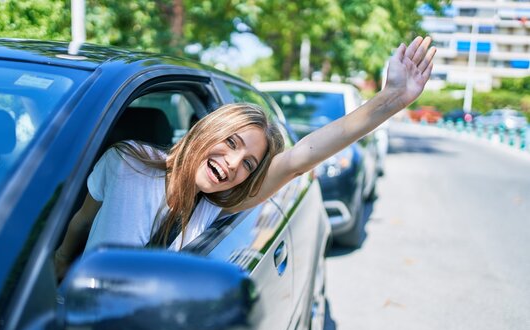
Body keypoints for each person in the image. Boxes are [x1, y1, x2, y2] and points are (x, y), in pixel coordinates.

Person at [54, 36, 436, 280]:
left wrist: (391, 100)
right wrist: (58, 263)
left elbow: (300, 158)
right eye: (232, 143)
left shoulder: (215, 207)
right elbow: (82, 221)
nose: (235, 164)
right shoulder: (126, 159)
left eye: (250, 165)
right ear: (206, 132)